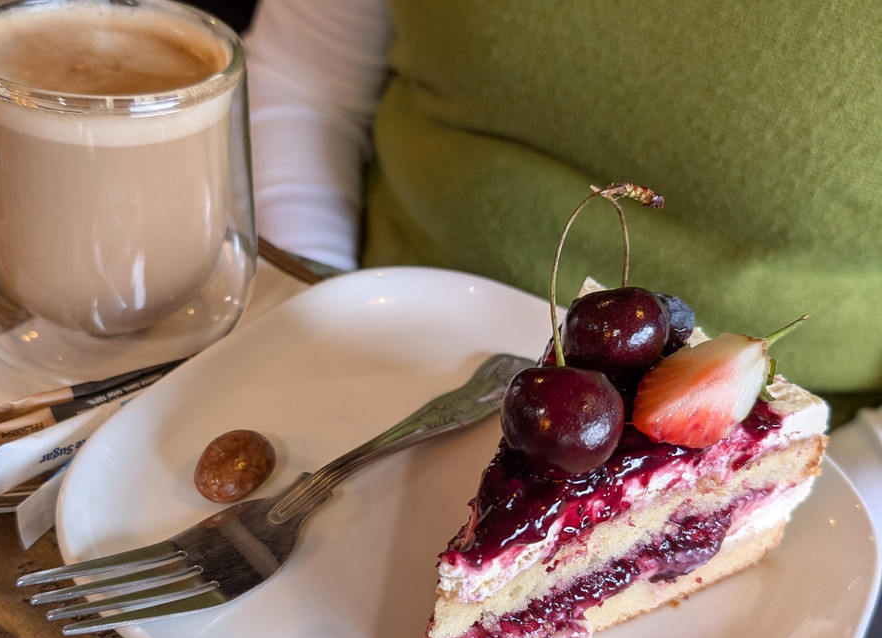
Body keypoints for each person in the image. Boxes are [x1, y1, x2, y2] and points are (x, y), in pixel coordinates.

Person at [244, 0, 882, 425]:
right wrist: (308, 314)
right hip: (361, 320)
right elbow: (304, 80)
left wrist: (837, 507)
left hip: (792, 451)